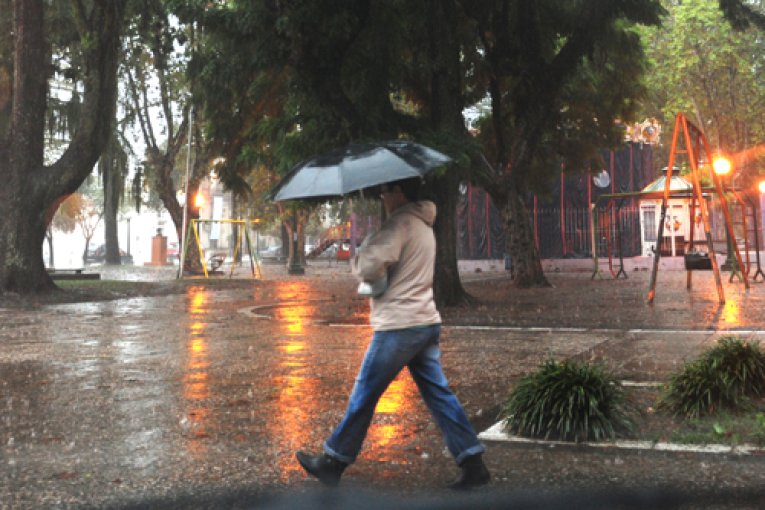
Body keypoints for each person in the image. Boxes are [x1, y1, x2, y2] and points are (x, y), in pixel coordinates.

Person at [296, 177, 490, 490]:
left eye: (386, 191)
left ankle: (333, 461)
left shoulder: (398, 224)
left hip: (399, 325)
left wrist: (364, 250)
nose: (383, 196)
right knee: (439, 395)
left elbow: (368, 267)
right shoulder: (425, 225)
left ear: (399, 192)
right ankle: (472, 461)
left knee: (365, 392)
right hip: (425, 321)